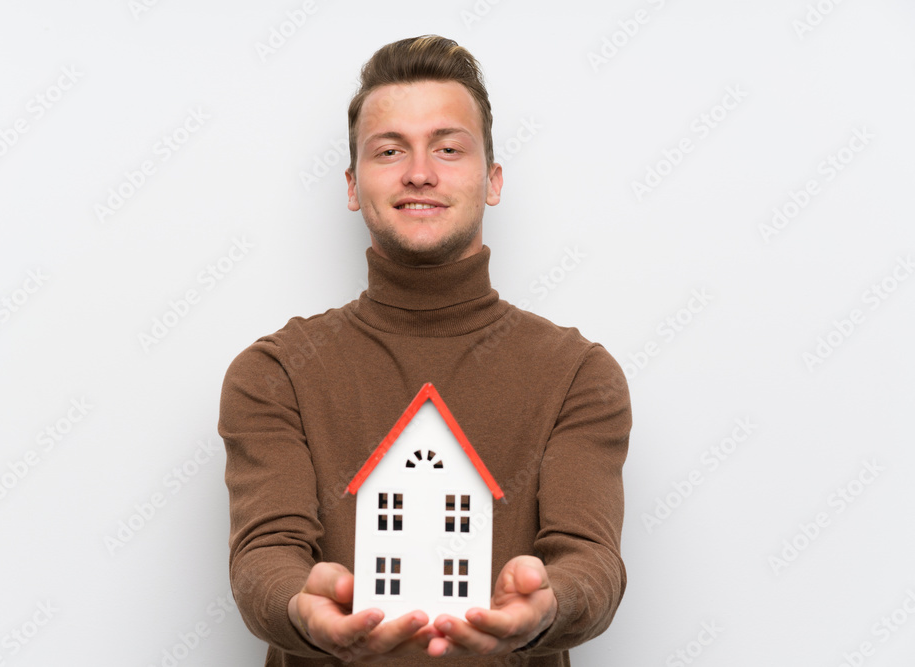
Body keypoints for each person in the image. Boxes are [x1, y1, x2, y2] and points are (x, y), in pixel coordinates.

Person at [219, 34, 632, 665]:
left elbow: (591, 558)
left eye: (448, 148)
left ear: (491, 180)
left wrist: (550, 603)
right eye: (390, 150)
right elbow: (264, 554)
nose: (420, 171)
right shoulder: (273, 373)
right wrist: (300, 606)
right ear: (354, 186)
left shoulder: (579, 374)